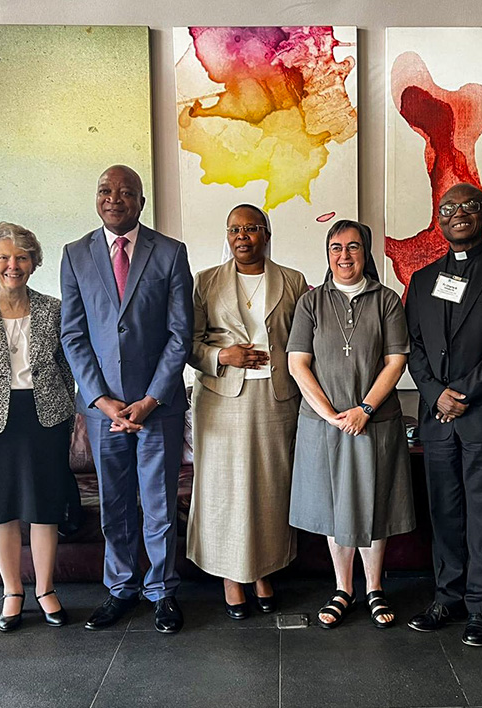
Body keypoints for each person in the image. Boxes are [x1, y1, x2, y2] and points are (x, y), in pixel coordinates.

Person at [60, 164, 193, 633]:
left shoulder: (171, 253)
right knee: (114, 503)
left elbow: (181, 336)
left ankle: (161, 592)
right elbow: (73, 336)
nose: (113, 198)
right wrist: (101, 400)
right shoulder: (75, 254)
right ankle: (120, 589)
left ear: (141, 200)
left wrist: (151, 399)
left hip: (158, 408)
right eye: (104, 191)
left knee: (158, 504)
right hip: (103, 412)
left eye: (125, 192)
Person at [405, 182, 482, 646]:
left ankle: (481, 608)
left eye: (468, 206)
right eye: (448, 208)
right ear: (439, 219)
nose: (457, 213)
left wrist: (461, 392)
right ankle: (448, 597)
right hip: (438, 419)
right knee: (446, 513)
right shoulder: (420, 281)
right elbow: (412, 346)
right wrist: (437, 393)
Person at [287, 219, 415, 629]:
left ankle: (375, 588)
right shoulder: (310, 303)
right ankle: (344, 588)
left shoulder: (388, 300)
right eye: (337, 247)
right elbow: (297, 363)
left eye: (354, 247)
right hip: (323, 424)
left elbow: (396, 360)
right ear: (327, 254)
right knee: (333, 506)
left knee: (373, 504)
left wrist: (364, 410)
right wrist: (330, 415)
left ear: (366, 252)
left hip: (374, 422)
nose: (345, 256)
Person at [0, 222, 76, 632]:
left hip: (45, 420)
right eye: (3, 257)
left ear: (34, 262)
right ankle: (12, 591)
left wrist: (68, 414)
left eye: (22, 256)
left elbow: (65, 368)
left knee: (44, 508)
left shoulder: (53, 309)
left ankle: (45, 588)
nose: (12, 264)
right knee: (0, 509)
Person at [187, 205, 308, 618]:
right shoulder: (205, 281)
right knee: (224, 490)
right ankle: (230, 577)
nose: (242, 236)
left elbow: (302, 342)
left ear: (266, 233)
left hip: (277, 399)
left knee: (270, 489)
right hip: (220, 400)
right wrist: (224, 354)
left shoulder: (293, 280)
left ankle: (263, 571)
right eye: (235, 229)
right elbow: (188, 344)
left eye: (252, 228)